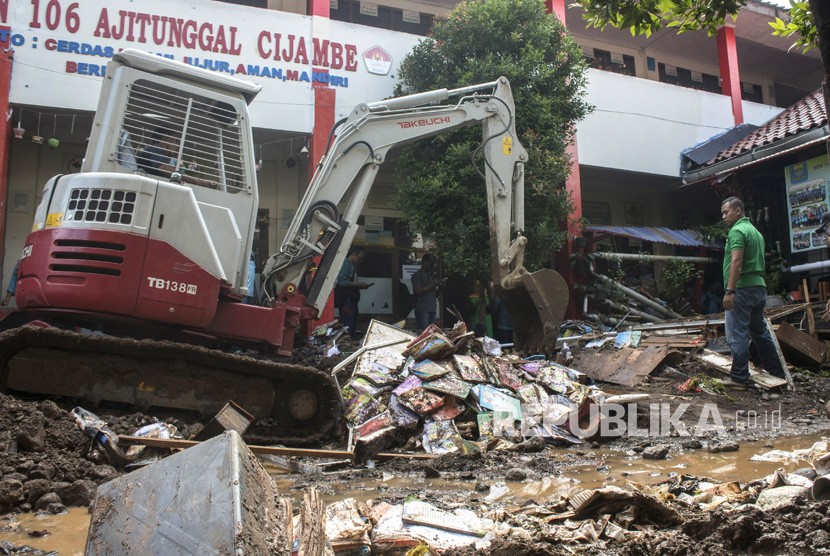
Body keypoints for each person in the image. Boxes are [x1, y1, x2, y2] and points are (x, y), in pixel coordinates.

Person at [720, 196, 785, 385]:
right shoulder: (755, 232)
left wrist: (730, 290)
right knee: (759, 332)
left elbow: (737, 261)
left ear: (738, 211)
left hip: (742, 289)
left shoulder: (737, 231)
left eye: (726, 212)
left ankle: (739, 377)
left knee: (737, 332)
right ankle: (776, 372)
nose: (724, 216)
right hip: (758, 288)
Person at [137, 127, 218, 189]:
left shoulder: (155, 151)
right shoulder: (156, 149)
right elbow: (165, 169)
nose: (177, 146)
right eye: (176, 141)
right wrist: (202, 182)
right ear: (165, 139)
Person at [335, 246, 370, 338]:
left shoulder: (352, 265)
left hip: (351, 298)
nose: (360, 260)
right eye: (360, 258)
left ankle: (350, 338)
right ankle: (347, 339)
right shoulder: (346, 264)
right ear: (354, 254)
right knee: (349, 321)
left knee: (352, 320)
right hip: (346, 299)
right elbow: (341, 282)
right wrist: (359, 285)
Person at [411, 253, 445, 331]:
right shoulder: (417, 275)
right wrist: (434, 284)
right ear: (424, 262)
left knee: (431, 333)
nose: (431, 266)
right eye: (430, 263)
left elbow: (433, 293)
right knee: (424, 333)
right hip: (422, 309)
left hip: (432, 309)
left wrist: (440, 287)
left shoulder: (430, 276)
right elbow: (418, 290)